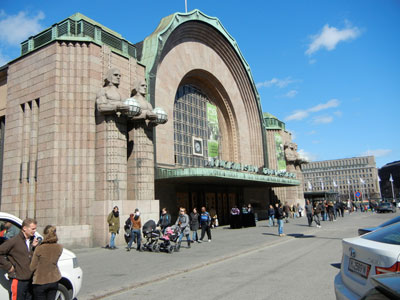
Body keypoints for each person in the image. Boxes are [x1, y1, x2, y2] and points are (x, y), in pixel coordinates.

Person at [0, 218, 39, 300]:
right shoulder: (14, 241)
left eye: (35, 229)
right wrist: (9, 266)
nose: (34, 231)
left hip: (29, 280)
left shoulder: (31, 241)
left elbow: (27, 255)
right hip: (18, 280)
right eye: (33, 229)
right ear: (24, 228)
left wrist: (33, 247)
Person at [30, 225, 62, 300]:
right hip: (54, 279)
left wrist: (33, 249)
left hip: (40, 281)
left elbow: (32, 267)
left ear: (44, 234)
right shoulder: (59, 247)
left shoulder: (39, 249)